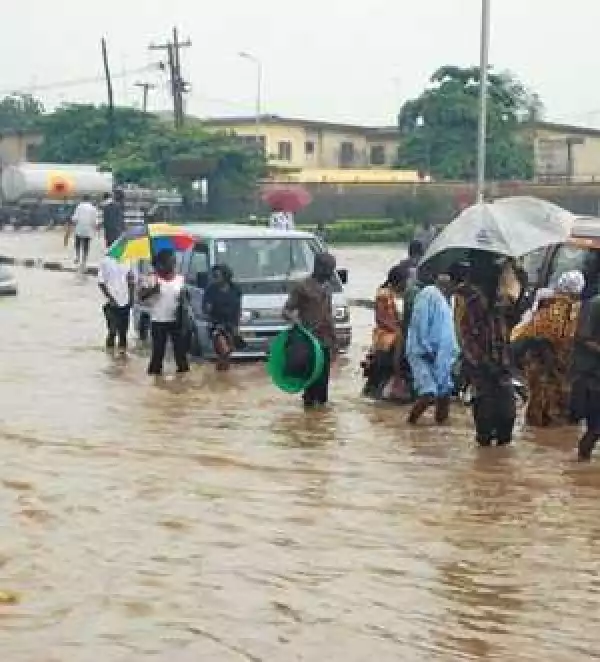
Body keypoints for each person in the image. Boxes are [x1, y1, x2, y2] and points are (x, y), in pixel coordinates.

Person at [455, 258, 517, 446]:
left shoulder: (501, 304)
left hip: (502, 367)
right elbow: (466, 339)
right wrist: (484, 363)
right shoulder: (472, 304)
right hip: (482, 369)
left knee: (507, 418)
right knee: (485, 419)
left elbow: (507, 334)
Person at [511, 270, 585, 427]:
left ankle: (540, 431)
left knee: (543, 397)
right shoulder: (553, 305)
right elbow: (544, 334)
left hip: (550, 361)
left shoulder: (552, 304)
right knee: (544, 398)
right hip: (545, 360)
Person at [283, 252, 337, 407]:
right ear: (318, 268)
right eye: (328, 269)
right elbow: (286, 311)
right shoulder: (302, 287)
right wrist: (296, 322)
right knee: (310, 383)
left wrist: (335, 341)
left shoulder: (328, 287)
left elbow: (328, 315)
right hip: (308, 342)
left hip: (325, 341)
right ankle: (309, 412)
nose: (331, 273)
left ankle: (318, 421)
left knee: (323, 386)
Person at [405, 272, 459, 424]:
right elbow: (419, 322)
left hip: (441, 354)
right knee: (428, 393)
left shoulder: (447, 301)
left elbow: (448, 330)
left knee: (445, 392)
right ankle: (411, 423)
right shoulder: (428, 294)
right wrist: (426, 348)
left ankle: (441, 427)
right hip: (421, 352)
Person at [362, 264, 411, 400]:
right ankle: (397, 374)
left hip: (388, 335)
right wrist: (398, 329)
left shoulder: (391, 294)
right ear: (399, 281)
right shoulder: (384, 294)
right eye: (406, 280)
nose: (408, 283)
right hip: (386, 337)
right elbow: (381, 318)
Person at [139, 249, 190, 377]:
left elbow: (186, 301)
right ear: (161, 264)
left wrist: (184, 297)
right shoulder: (152, 279)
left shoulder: (180, 279)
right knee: (158, 354)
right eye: (170, 262)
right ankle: (155, 379)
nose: (173, 264)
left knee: (180, 354)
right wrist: (153, 290)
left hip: (176, 321)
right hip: (158, 321)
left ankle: (183, 380)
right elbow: (140, 297)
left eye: (173, 262)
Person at [571, 289, 600, 460]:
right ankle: (581, 462)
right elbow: (582, 337)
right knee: (595, 427)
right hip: (592, 376)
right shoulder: (595, 305)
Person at [202, 264, 242, 371]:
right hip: (216, 324)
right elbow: (206, 309)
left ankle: (221, 375)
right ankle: (222, 376)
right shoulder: (211, 289)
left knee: (225, 355)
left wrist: (236, 327)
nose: (214, 278)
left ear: (225, 276)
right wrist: (208, 307)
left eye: (217, 275)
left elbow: (238, 308)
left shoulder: (235, 289)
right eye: (214, 275)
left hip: (231, 324)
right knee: (225, 350)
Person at [97, 254, 135, 354]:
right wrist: (110, 298)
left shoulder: (128, 260)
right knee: (112, 331)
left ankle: (121, 360)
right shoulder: (105, 260)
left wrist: (131, 297)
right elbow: (101, 282)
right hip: (110, 303)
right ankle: (110, 357)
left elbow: (131, 280)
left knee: (123, 333)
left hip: (125, 301)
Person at [67, 195, 98, 268]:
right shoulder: (93, 208)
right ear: (89, 200)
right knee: (86, 245)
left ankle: (77, 257)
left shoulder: (79, 207)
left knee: (78, 243)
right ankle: (84, 260)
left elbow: (75, 218)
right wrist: (96, 228)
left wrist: (71, 225)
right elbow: (95, 220)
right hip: (88, 229)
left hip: (79, 228)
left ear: (83, 199)